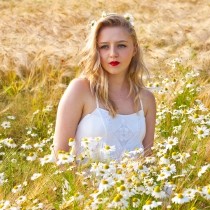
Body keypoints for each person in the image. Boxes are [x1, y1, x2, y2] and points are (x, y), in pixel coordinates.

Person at [53, 13, 156, 162]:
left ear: (134, 49)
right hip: (84, 184)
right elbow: (60, 156)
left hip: (134, 184)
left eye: (121, 45)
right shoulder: (81, 90)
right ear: (96, 50)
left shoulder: (146, 99)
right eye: (104, 47)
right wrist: (82, 186)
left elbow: (148, 159)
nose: (113, 54)